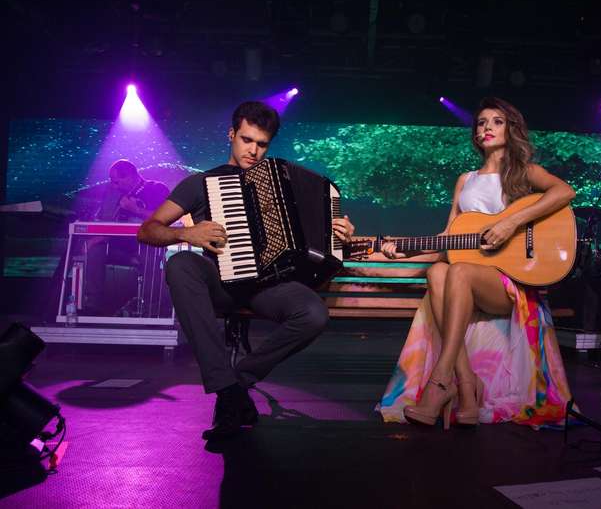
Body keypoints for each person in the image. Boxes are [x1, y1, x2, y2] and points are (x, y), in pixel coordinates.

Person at [137, 101, 355, 440]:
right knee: (180, 263)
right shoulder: (200, 184)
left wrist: (338, 233)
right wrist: (186, 232)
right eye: (246, 140)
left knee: (313, 314)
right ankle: (227, 389)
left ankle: (234, 384)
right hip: (222, 283)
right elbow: (147, 230)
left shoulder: (283, 182)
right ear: (231, 134)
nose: (253, 151)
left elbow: (319, 241)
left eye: (262, 144)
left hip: (270, 287)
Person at [378, 97, 576, 429]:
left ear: (511, 129)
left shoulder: (526, 173)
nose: (486, 127)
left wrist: (510, 223)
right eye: (482, 122)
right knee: (441, 269)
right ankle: (466, 385)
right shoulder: (464, 181)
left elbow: (565, 192)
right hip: (466, 277)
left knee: (457, 271)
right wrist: (408, 250)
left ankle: (442, 381)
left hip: (510, 285)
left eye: (497, 121)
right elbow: (447, 242)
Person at [83, 159, 169, 315]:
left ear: (129, 177)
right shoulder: (114, 195)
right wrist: (96, 239)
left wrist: (135, 210)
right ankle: (92, 305)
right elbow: (109, 224)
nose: (114, 186)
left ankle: (150, 307)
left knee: (149, 250)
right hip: (119, 248)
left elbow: (165, 219)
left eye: (116, 182)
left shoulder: (156, 189)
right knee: (95, 250)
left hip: (146, 246)